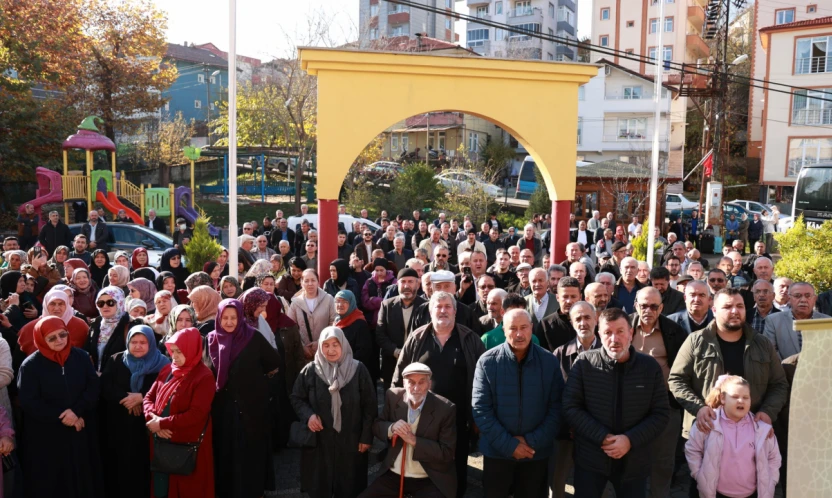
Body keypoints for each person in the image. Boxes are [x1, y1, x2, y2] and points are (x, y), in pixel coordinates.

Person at [668, 287, 789, 498]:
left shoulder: (762, 344)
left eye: (740, 306)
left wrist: (768, 413)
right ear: (714, 310)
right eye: (727, 306)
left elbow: (779, 384)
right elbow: (676, 380)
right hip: (707, 433)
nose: (735, 311)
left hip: (751, 438)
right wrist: (699, 408)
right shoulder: (697, 341)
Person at [562, 307, 670, 497]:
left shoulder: (649, 367)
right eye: (607, 333)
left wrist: (629, 440)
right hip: (591, 459)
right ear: (599, 335)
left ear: (631, 333)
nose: (614, 339)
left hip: (634, 460)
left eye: (620, 331)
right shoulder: (584, 363)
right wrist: (602, 437)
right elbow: (571, 407)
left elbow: (660, 414)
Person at [392, 291, 485, 497]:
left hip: (459, 417)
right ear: (430, 310)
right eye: (438, 306)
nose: (443, 310)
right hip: (422, 417)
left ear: (455, 310)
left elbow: (483, 380)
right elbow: (400, 375)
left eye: (447, 306)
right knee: (424, 465)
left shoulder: (470, 339)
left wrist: (478, 416)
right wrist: (397, 410)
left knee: (457, 465)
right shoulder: (417, 338)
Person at [472, 309, 562, 498]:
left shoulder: (549, 361)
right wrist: (510, 445)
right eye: (513, 328)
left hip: (535, 453)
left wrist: (530, 442)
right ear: (503, 330)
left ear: (531, 328)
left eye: (523, 327)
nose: (519, 334)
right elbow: (481, 410)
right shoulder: (487, 362)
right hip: (497, 453)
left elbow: (557, 408)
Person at [18, 315, 101, 498]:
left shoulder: (80, 356)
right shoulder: (30, 366)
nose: (59, 341)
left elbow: (93, 386)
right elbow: (29, 401)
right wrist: (64, 417)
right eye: (52, 338)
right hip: (47, 434)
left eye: (63, 335)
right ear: (41, 339)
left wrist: (77, 411)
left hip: (80, 427)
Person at [206, 299, 281, 498]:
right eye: (225, 318)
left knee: (251, 449)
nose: (229, 322)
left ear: (240, 318)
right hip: (222, 406)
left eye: (234, 318)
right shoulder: (211, 339)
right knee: (225, 448)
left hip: (252, 405)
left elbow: (273, 361)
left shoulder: (252, 337)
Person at [291, 327, 376, 498]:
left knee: (350, 486)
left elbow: (370, 406)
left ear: (343, 345)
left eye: (335, 345)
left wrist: (366, 437)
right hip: (321, 441)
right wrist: (309, 416)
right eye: (326, 345)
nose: (330, 350)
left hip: (351, 440)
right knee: (320, 485)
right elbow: (297, 398)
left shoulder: (359, 370)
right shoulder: (310, 371)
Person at [360, 363, 457, 498]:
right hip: (394, 475)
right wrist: (392, 427)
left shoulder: (445, 408)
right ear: (404, 384)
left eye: (421, 382)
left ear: (429, 384)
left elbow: (447, 452)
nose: (416, 388)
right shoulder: (393, 396)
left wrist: (414, 440)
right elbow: (377, 426)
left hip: (428, 478)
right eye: (411, 382)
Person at [143, 327, 216, 498]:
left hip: (187, 447)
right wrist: (153, 418)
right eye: (172, 351)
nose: (174, 356)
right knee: (163, 488)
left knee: (188, 489)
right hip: (162, 444)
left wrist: (161, 423)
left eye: (179, 351)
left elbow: (196, 414)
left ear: (192, 349)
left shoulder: (203, 377)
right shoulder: (168, 370)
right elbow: (148, 397)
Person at [630, 287, 688, 498]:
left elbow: (683, 369)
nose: (648, 310)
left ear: (661, 308)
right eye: (644, 305)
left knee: (663, 464)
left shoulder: (674, 331)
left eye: (654, 306)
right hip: (629, 408)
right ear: (635, 305)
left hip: (664, 406)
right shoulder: (624, 326)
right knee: (630, 462)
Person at [100, 324, 169, 498]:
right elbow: (106, 386)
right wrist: (128, 399)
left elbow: (165, 390)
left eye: (143, 342)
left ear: (151, 344)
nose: (137, 346)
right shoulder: (116, 360)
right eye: (134, 342)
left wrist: (142, 397)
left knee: (143, 467)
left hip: (146, 426)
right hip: (118, 425)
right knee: (119, 467)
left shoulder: (162, 364)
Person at [684, 375, 782, 498]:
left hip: (752, 494)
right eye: (735, 397)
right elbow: (693, 449)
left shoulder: (761, 428)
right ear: (723, 398)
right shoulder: (708, 423)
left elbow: (774, 457)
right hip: (716, 494)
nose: (741, 401)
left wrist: (771, 481)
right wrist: (699, 475)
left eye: (746, 397)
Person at [550, 301, 599, 498]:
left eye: (587, 317)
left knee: (595, 487)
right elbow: (554, 395)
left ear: (596, 319)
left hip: (598, 433)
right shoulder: (560, 354)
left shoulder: (611, 352)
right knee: (557, 483)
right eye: (578, 318)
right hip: (565, 432)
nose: (583, 322)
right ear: (571, 322)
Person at [375, 268, 425, 389]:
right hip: (391, 363)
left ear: (418, 285)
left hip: (417, 362)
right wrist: (396, 352)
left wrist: (411, 353)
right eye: (403, 282)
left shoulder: (425, 306)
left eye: (410, 282)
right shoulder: (387, 305)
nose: (406, 285)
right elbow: (380, 335)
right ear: (397, 284)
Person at [764, 282, 829, 359]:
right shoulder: (774, 320)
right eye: (797, 296)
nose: (803, 300)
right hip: (784, 370)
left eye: (808, 296)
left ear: (814, 299)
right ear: (789, 298)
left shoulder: (827, 322)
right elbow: (770, 352)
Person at [17, 288, 89, 356]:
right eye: (52, 304)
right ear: (45, 305)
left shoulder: (80, 326)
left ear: (67, 305)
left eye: (61, 304)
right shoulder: (29, 328)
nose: (56, 308)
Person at [87, 286, 141, 373]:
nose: (105, 306)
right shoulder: (95, 325)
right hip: (97, 380)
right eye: (100, 303)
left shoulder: (131, 325)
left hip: (119, 381)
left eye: (110, 302)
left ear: (119, 303)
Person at [288, 269, 337, 362]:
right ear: (301, 283)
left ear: (318, 282)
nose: (310, 284)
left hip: (326, 349)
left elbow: (334, 323)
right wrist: (302, 346)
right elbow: (291, 327)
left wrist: (321, 342)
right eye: (306, 281)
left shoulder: (328, 299)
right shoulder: (295, 302)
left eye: (313, 280)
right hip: (303, 353)